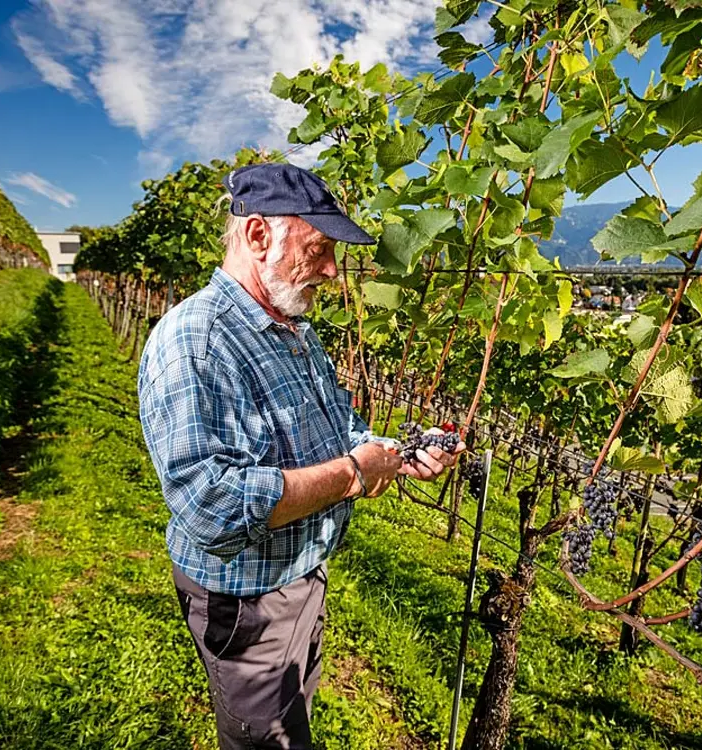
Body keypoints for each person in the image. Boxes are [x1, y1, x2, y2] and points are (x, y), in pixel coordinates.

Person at [137, 163, 464, 749]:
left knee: (295, 719)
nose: (333, 270)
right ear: (258, 235)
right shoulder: (197, 342)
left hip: (301, 577)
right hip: (249, 601)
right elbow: (210, 507)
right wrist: (354, 475)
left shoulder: (294, 328)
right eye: (318, 249)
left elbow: (336, 424)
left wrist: (393, 453)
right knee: (270, 741)